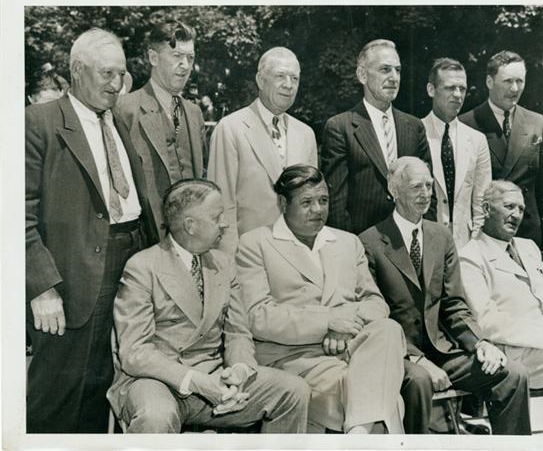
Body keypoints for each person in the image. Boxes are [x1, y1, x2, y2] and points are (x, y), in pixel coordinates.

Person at [26, 28, 157, 433]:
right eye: (106, 74)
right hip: (73, 277)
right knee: (58, 395)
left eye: (121, 75)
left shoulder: (116, 120)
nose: (116, 84)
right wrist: (42, 287)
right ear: (78, 70)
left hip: (128, 261)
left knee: (103, 388)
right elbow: (16, 214)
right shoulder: (38, 123)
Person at [108, 179, 310, 433]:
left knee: (293, 391)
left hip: (215, 380)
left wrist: (239, 371)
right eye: (217, 217)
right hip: (157, 382)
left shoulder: (224, 264)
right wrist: (196, 381)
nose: (225, 223)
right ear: (190, 226)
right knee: (155, 417)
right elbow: (135, 352)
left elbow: (238, 332)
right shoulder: (142, 267)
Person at [359, 157, 531, 435]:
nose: (426, 194)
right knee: (418, 382)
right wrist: (414, 358)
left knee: (512, 374)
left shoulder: (441, 237)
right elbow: (375, 316)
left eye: (429, 186)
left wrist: (481, 343)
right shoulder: (369, 242)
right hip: (400, 356)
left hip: (443, 352)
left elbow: (454, 305)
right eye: (417, 186)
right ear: (394, 190)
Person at [236, 165, 407, 433]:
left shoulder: (347, 242)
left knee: (389, 329)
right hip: (295, 361)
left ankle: (358, 433)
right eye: (307, 202)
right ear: (283, 203)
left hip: (354, 354)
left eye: (323, 200)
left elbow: (377, 305)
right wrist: (327, 321)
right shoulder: (255, 243)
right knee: (389, 404)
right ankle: (360, 432)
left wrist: (342, 327)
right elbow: (258, 316)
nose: (318, 210)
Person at [459, 180, 543, 403]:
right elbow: (486, 322)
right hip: (516, 353)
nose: (517, 214)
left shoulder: (528, 247)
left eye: (521, 209)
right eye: (509, 206)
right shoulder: (470, 257)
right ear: (487, 209)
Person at [207, 47, 317, 254]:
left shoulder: (306, 134)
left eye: (295, 78)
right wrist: (228, 262)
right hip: (249, 257)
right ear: (260, 80)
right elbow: (222, 204)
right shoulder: (230, 128)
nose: (288, 85)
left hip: (297, 254)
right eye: (280, 76)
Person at [321, 39, 435, 236]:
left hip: (410, 242)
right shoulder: (340, 127)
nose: (394, 78)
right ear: (362, 75)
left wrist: (429, 241)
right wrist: (348, 247)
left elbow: (428, 190)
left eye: (397, 70)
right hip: (362, 243)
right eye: (385, 70)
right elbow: (336, 202)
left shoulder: (414, 127)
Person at [115, 20, 205, 237]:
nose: (185, 65)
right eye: (176, 56)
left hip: (190, 239)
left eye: (190, 58)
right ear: (153, 57)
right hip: (145, 240)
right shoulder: (124, 110)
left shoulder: (194, 113)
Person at [460, 50, 543, 255]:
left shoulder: (537, 123)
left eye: (520, 81)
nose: (515, 88)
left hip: (527, 235)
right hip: (486, 235)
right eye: (507, 81)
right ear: (490, 82)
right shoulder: (467, 123)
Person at [422, 58, 491, 248]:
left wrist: (477, 244)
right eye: (450, 88)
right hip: (425, 240)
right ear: (431, 90)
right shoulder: (415, 132)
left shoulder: (477, 140)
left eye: (462, 89)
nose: (458, 95)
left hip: (466, 244)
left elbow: (481, 199)